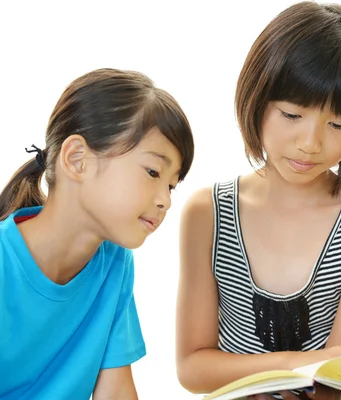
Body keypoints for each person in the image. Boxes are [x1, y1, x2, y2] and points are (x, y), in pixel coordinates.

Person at [176, 2, 341, 399]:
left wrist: (311, 370)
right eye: (291, 114)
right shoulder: (207, 213)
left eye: (338, 124)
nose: (310, 143)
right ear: (256, 98)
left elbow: (338, 378)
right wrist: (294, 364)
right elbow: (193, 367)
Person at [0, 68, 195, 399]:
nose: (165, 201)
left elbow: (115, 391)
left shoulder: (115, 264)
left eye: (172, 186)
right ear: (77, 159)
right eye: (152, 172)